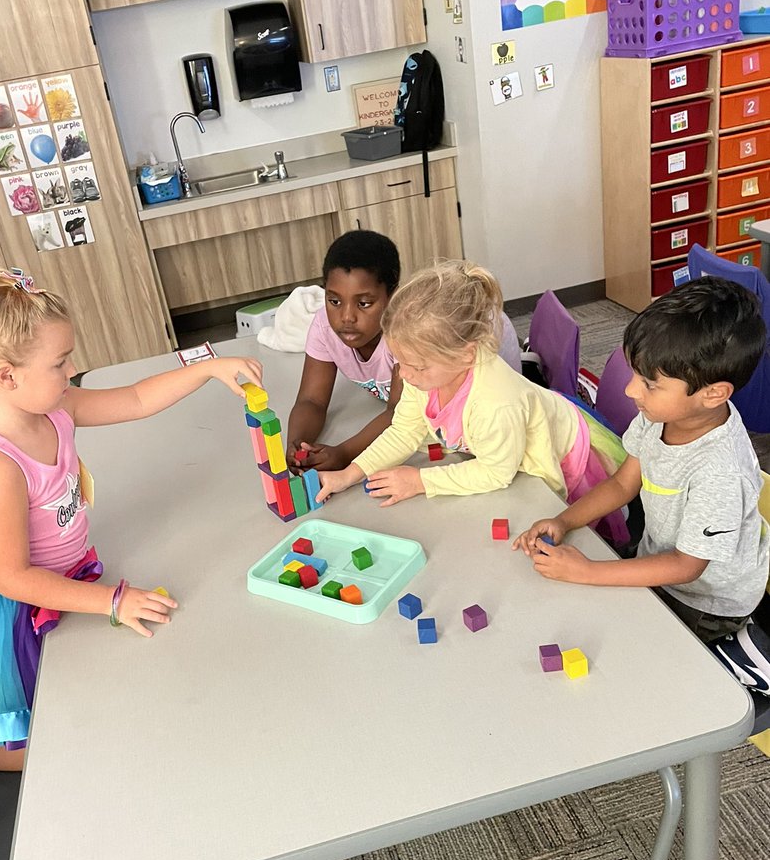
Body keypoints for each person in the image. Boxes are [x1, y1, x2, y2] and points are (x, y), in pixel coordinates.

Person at [0, 268, 262, 772]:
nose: (71, 371)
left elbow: (134, 399)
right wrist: (113, 600)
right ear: (8, 376)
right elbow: (12, 577)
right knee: (52, 743)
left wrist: (207, 369)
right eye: (59, 363)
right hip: (15, 600)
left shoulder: (53, 406)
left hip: (60, 574)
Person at [514, 277, 770, 693]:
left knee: (641, 676)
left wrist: (588, 571)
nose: (631, 389)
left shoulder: (721, 472)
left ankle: (738, 660)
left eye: (649, 383)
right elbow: (622, 484)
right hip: (662, 564)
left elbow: (687, 566)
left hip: (705, 602)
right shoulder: (661, 415)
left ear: (712, 394)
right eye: (635, 374)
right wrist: (564, 520)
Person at [315, 261, 624, 516]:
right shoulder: (424, 373)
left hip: (564, 454)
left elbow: (496, 473)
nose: (404, 375)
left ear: (466, 354)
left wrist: (420, 481)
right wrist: (349, 474)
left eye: (417, 366)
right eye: (400, 361)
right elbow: (404, 431)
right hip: (517, 441)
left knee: (572, 524)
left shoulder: (495, 401)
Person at [287, 231, 522, 472]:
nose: (347, 317)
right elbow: (311, 400)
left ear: (393, 296)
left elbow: (398, 414)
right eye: (334, 301)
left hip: (493, 383)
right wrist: (297, 444)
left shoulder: (407, 333)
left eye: (364, 303)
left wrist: (345, 453)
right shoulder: (324, 328)